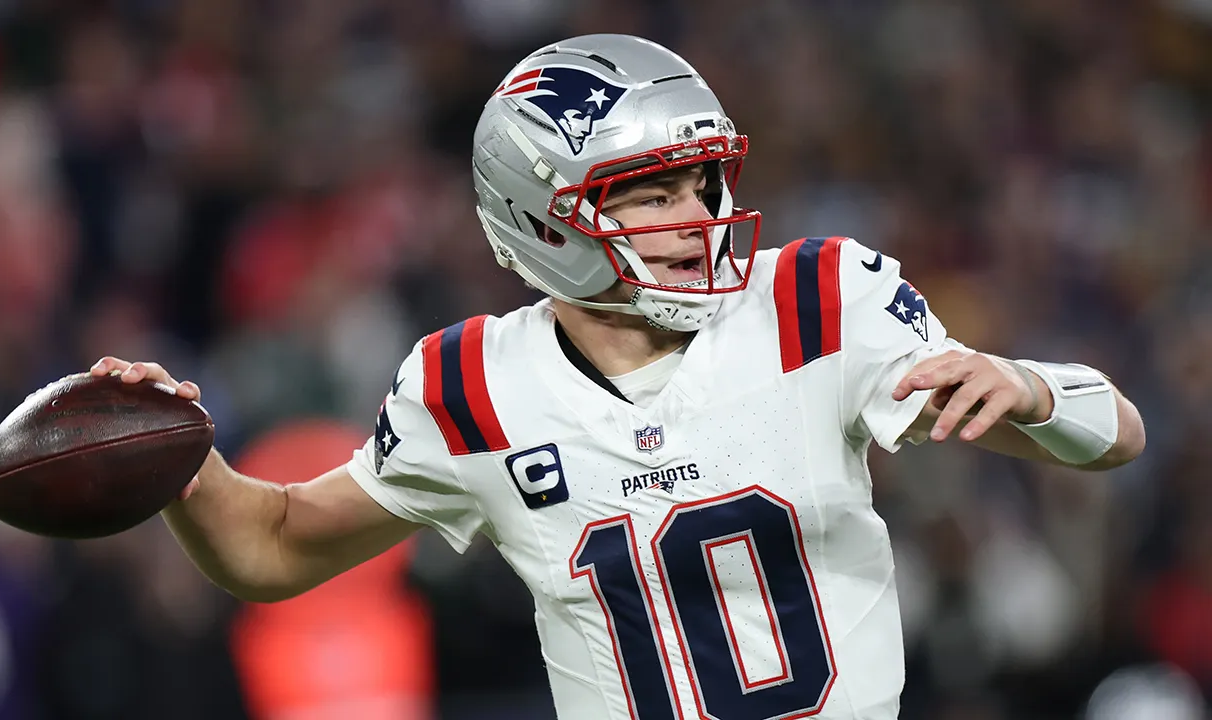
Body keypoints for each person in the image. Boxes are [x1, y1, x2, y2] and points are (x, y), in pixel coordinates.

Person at [92, 34, 1145, 720]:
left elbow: (1119, 434)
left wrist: (1035, 392)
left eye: (704, 181)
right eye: (650, 194)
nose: (696, 219)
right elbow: (270, 547)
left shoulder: (817, 299)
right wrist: (179, 460)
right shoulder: (472, 386)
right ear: (540, 217)